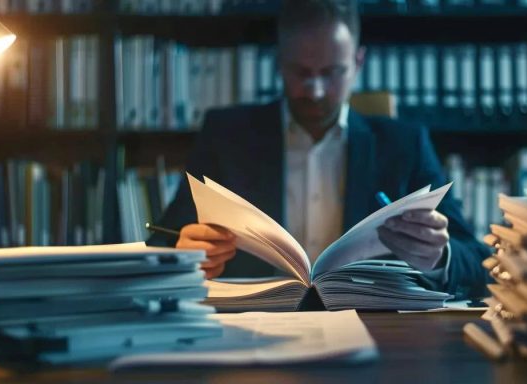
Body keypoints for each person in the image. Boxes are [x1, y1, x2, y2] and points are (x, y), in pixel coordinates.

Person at [151, 0, 490, 299]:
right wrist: (188, 253)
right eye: (301, 72)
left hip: (375, 330)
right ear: (279, 62)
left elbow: (475, 261)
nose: (314, 90)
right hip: (254, 328)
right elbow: (164, 242)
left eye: (331, 73)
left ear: (358, 63)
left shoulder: (405, 144)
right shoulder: (226, 136)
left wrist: (439, 257)